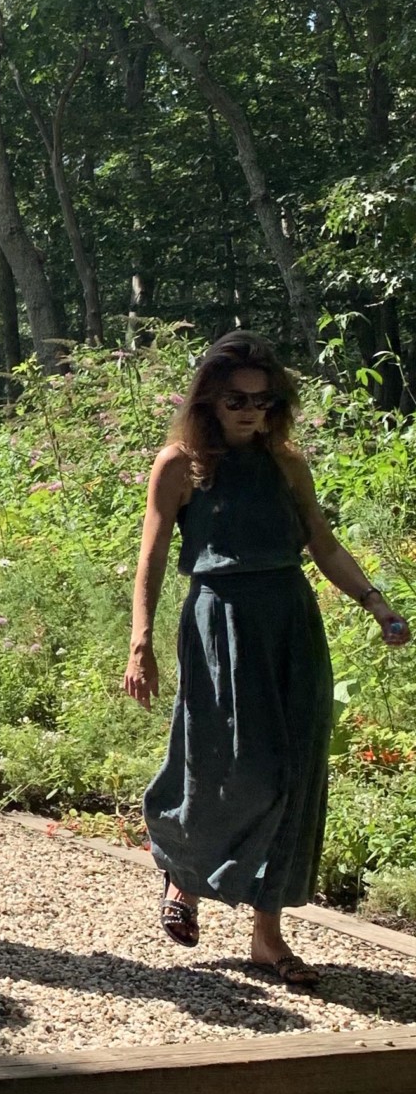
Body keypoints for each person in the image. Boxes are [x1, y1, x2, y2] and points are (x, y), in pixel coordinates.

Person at [126, 330, 409, 990]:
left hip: (289, 623)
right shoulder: (181, 464)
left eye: (262, 398)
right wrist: (140, 639)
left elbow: (324, 545)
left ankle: (266, 935)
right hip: (219, 622)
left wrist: (376, 602)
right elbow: (153, 555)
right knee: (222, 762)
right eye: (236, 399)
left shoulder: (288, 466)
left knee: (292, 773)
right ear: (209, 400)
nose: (251, 410)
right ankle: (183, 873)